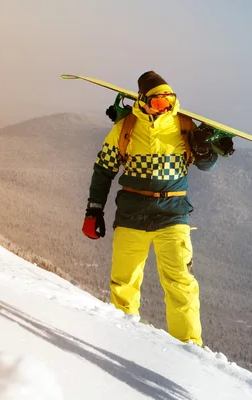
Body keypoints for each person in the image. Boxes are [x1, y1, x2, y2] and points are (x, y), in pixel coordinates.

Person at [81, 71, 233, 346]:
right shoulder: (125, 128)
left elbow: (207, 165)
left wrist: (203, 150)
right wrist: (94, 210)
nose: (166, 106)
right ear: (143, 100)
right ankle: (121, 340)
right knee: (123, 282)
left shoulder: (185, 126)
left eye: (170, 100)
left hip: (172, 212)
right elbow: (104, 169)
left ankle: (190, 348)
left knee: (180, 283)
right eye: (159, 101)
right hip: (131, 213)